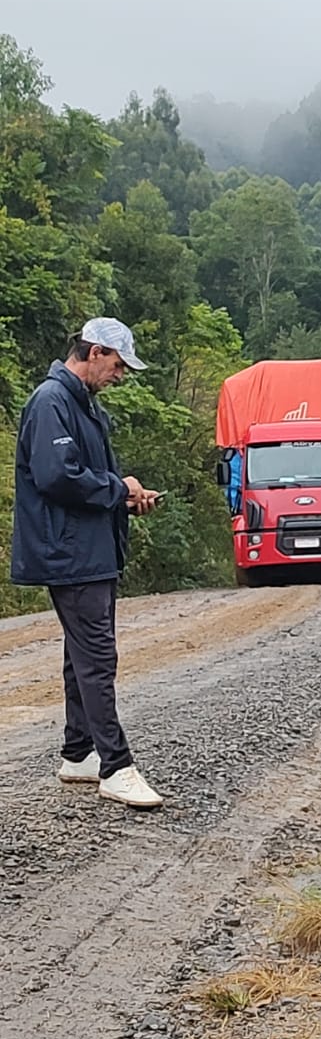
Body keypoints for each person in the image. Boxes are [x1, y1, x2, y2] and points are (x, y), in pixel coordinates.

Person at [11, 319, 164, 810]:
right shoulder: (51, 402)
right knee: (98, 659)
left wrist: (125, 493)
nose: (121, 374)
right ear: (95, 352)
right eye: (118, 364)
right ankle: (116, 767)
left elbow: (86, 478)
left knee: (82, 656)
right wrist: (119, 489)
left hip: (86, 549)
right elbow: (57, 477)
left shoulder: (82, 404)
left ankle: (79, 754)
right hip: (70, 553)